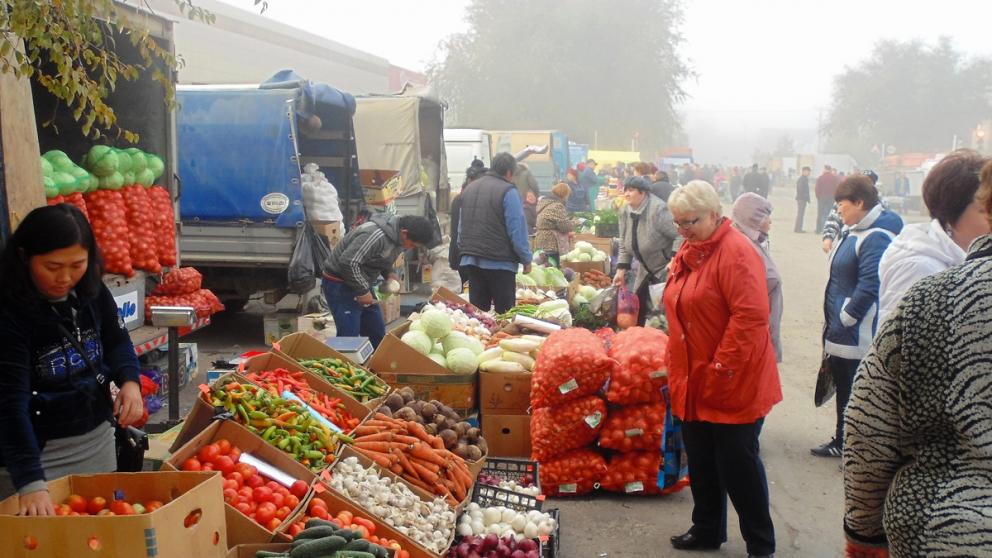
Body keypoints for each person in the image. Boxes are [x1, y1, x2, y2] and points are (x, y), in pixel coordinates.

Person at [842, 161, 992, 557]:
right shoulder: (926, 278)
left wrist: (863, 531)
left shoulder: (937, 296)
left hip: (946, 524)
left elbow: (870, 426)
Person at [0, 204, 144, 514]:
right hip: (34, 457)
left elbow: (117, 341)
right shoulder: (9, 314)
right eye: (52, 267)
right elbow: (9, 404)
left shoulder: (90, 291)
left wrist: (130, 381)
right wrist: (30, 482)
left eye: (77, 264)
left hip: (97, 443)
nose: (65, 277)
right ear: (24, 256)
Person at [663, 181, 781, 558]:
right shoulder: (692, 248)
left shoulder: (737, 253)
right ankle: (707, 528)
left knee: (737, 463)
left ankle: (760, 544)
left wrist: (721, 368)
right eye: (678, 223)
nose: (683, 230)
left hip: (733, 376)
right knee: (700, 458)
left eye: (690, 221)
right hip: (694, 373)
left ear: (715, 213)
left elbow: (749, 318)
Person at [812, 175, 904, 458]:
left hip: (856, 331)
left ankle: (851, 445)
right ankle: (844, 440)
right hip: (841, 328)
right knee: (845, 387)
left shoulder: (875, 236)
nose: (838, 211)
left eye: (842, 205)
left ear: (859, 202)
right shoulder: (855, 230)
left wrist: (847, 317)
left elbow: (870, 284)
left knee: (853, 390)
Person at [878, 150, 990, 324]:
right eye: (985, 210)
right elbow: (896, 346)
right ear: (953, 210)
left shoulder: (966, 259)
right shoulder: (920, 268)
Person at [323, 214, 433, 348]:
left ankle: (373, 365)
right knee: (349, 335)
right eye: (412, 244)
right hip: (339, 283)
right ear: (404, 233)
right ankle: (343, 366)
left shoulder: (398, 239)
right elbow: (348, 262)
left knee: (376, 331)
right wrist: (363, 292)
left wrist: (390, 274)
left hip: (360, 280)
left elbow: (380, 258)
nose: (410, 248)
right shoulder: (375, 235)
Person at [458, 152, 533, 313]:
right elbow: (517, 229)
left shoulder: (470, 188)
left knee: (479, 316)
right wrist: (526, 259)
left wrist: (464, 249)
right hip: (500, 263)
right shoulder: (508, 191)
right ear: (509, 173)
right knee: (504, 314)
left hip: (472, 260)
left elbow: (461, 226)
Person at [613, 176, 678, 326]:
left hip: (664, 269)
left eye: (631, 190)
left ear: (643, 193)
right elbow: (624, 242)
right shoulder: (624, 211)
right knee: (640, 310)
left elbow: (680, 235)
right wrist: (621, 270)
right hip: (644, 268)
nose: (627, 194)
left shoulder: (658, 210)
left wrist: (674, 260)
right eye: (625, 190)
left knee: (662, 316)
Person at [732, 193, 784, 362]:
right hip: (753, 341)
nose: (770, 221)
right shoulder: (743, 249)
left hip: (762, 336)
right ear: (753, 219)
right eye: (766, 216)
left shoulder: (752, 243)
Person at [449, 159, 488, 289]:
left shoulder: (459, 198)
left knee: (467, 287)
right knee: (471, 288)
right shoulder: (468, 199)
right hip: (467, 253)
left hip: (460, 252)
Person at [534, 182, 575, 268]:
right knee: (552, 268)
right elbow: (564, 226)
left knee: (543, 268)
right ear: (564, 194)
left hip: (541, 241)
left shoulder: (545, 203)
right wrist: (574, 223)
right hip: (551, 243)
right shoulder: (557, 206)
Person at [512, 162, 540, 233]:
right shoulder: (527, 173)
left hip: (516, 202)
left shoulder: (512, 175)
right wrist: (536, 195)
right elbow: (534, 185)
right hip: (528, 201)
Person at [815, 166, 841, 233]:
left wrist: (818, 196)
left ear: (825, 169)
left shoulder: (820, 178)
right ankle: (827, 229)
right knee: (829, 214)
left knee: (820, 213)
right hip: (831, 198)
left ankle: (818, 229)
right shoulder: (834, 178)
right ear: (830, 170)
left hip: (822, 198)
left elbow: (817, 188)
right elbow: (837, 188)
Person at [795, 166, 812, 232]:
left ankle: (798, 228)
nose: (809, 173)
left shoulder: (804, 179)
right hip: (801, 199)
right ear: (804, 171)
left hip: (801, 199)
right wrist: (805, 197)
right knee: (800, 215)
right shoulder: (802, 179)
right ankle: (798, 229)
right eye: (808, 171)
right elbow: (801, 189)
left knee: (800, 214)